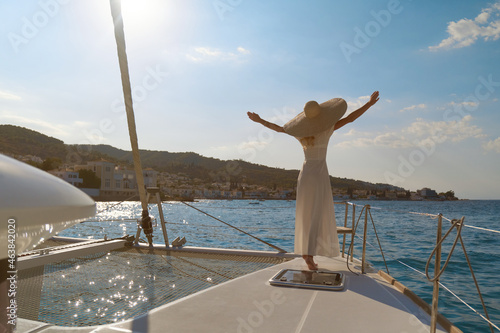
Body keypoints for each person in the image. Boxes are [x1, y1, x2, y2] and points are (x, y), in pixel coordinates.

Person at [247, 91, 379, 270]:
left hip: (305, 173)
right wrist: (369, 104)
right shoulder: (326, 130)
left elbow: (278, 128)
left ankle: (306, 252)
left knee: (306, 212)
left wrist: (260, 120)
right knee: (317, 212)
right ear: (322, 116)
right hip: (318, 174)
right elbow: (350, 119)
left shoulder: (300, 135)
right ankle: (309, 255)